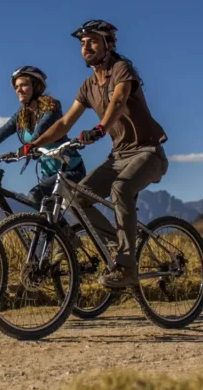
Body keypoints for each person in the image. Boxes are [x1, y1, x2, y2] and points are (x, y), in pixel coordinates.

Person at [20, 20, 169, 289]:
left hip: (148, 152)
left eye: (92, 41)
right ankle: (120, 249)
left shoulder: (121, 69)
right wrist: (35, 144)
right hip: (118, 156)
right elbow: (65, 123)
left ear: (108, 45)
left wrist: (100, 128)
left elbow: (119, 101)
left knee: (120, 190)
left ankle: (127, 268)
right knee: (76, 198)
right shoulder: (88, 86)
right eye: (82, 43)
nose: (86, 47)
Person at [0, 65, 87, 208]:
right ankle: (58, 231)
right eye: (16, 87)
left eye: (24, 85)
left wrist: (26, 148)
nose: (18, 90)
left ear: (36, 86)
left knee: (35, 195)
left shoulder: (52, 107)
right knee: (45, 214)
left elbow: (40, 130)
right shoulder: (21, 115)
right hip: (48, 173)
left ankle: (64, 230)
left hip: (69, 169)